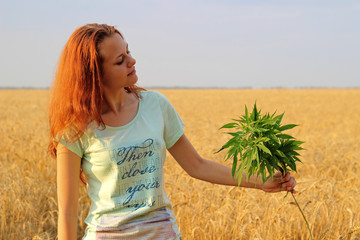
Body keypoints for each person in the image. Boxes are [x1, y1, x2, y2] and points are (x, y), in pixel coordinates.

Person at [49, 23, 296, 240]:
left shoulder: (156, 105)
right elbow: (68, 212)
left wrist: (261, 182)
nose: (132, 61)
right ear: (94, 74)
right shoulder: (75, 127)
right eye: (119, 60)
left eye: (128, 52)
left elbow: (197, 165)